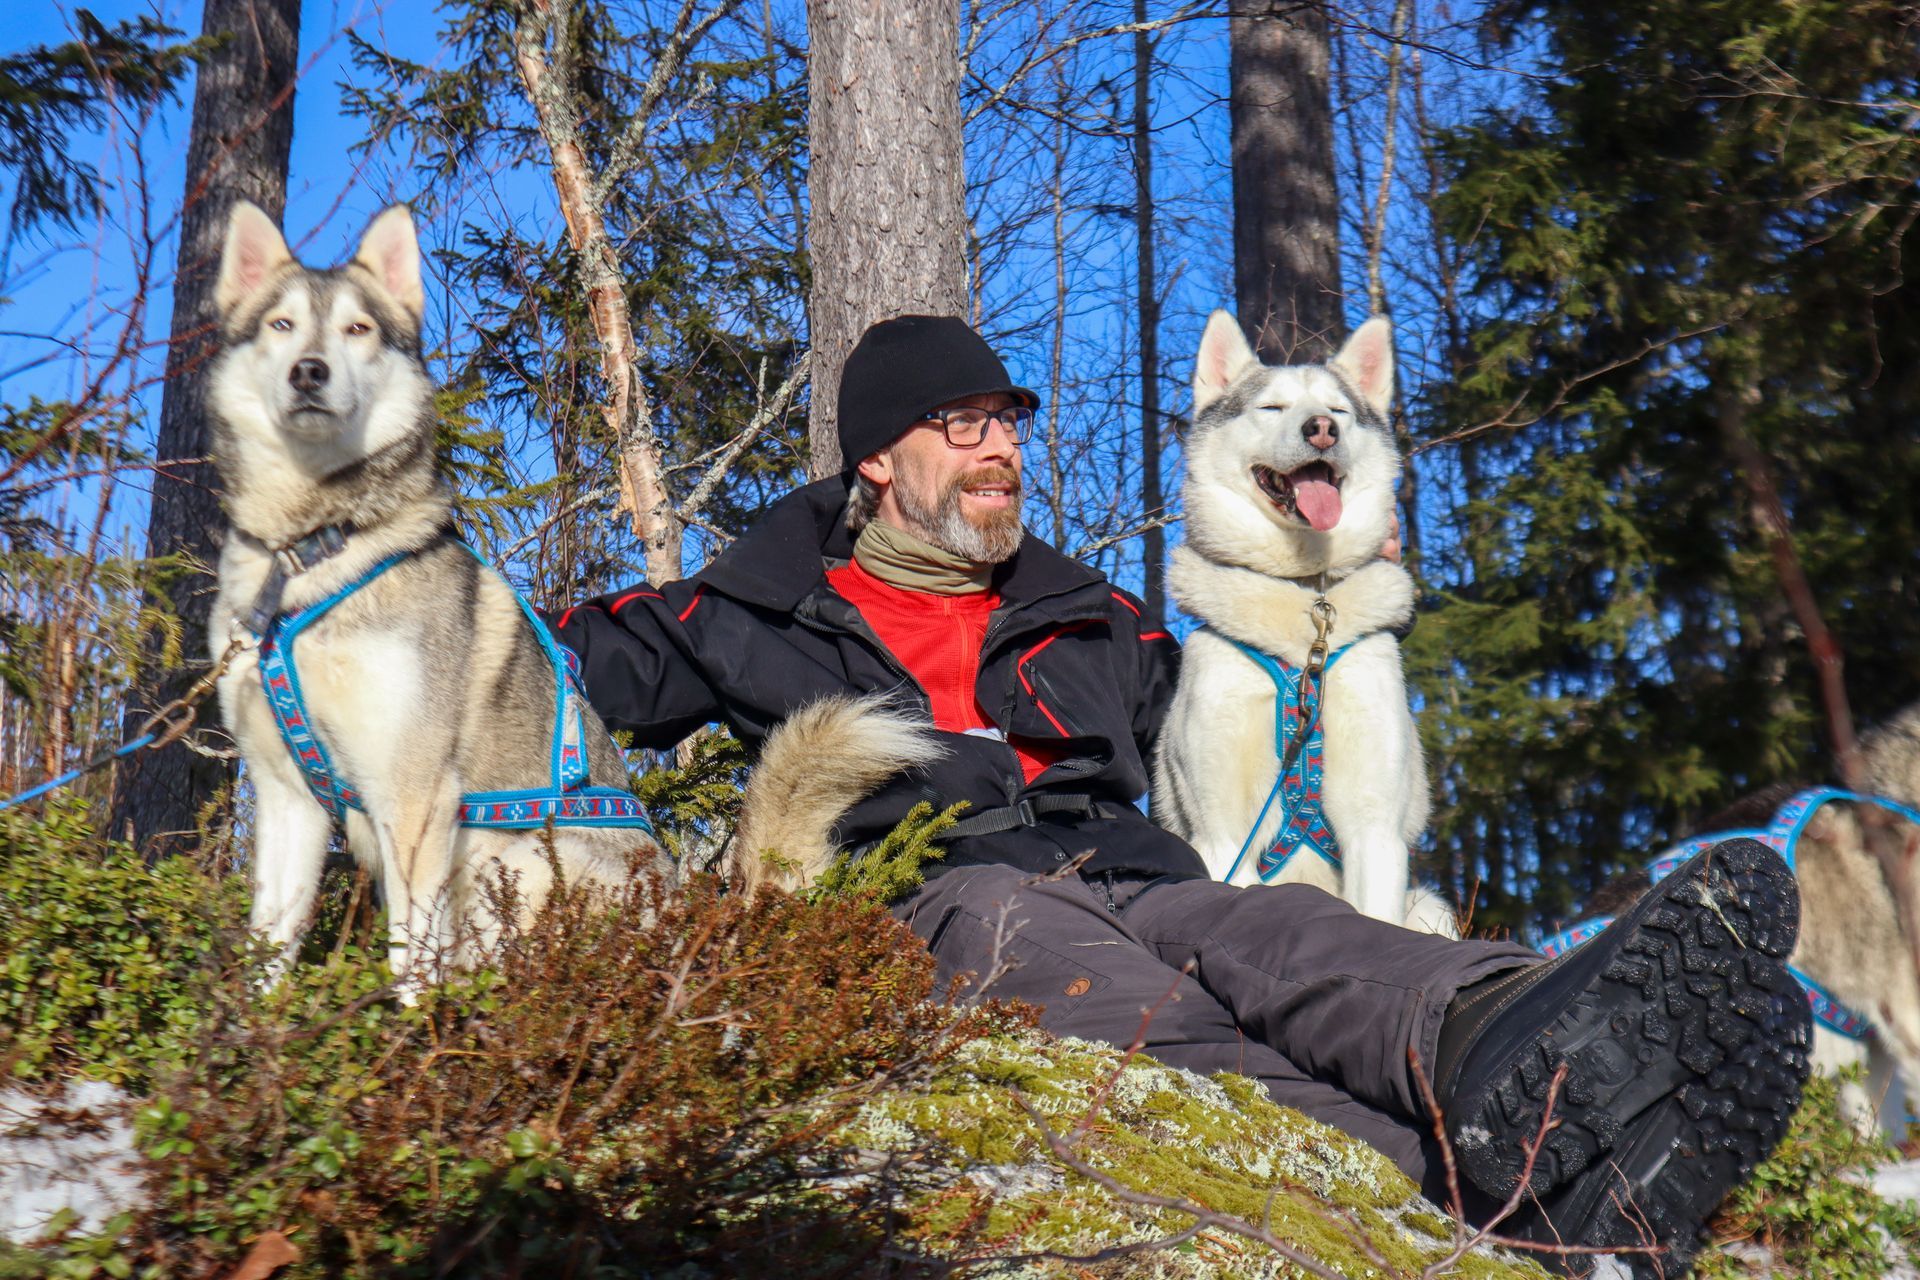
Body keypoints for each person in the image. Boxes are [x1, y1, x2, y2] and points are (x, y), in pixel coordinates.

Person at [550, 314, 1810, 1272]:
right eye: (964, 424)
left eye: (1010, 421)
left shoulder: (1088, 611)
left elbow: (1229, 738)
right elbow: (545, 664)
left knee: (1271, 929)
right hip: (930, 891)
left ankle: (1525, 1036)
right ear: (880, 457)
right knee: (1062, 951)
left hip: (1129, 865)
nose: (1003, 447)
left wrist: (1323, 612)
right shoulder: (755, 603)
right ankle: (1483, 1177)